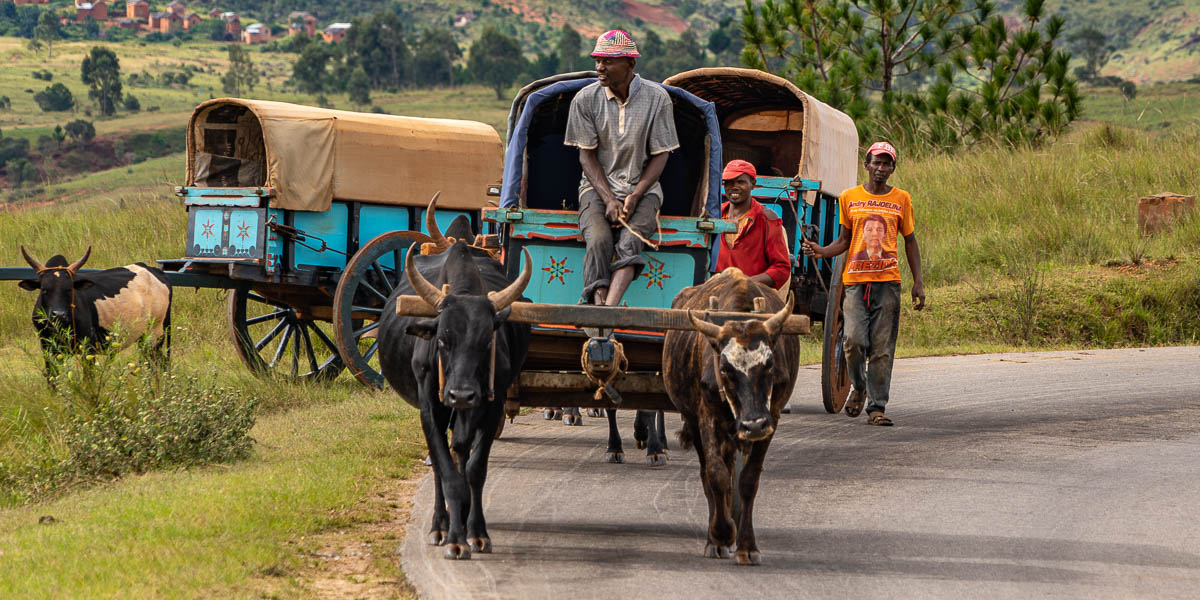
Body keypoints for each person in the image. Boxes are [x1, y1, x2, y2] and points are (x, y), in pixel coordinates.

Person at [801, 141, 926, 426]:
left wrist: (918, 282)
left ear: (893, 168)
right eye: (876, 162)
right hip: (855, 282)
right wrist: (820, 251)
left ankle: (877, 407)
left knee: (882, 348)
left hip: (888, 283)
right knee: (853, 340)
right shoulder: (849, 197)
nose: (880, 168)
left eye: (886, 163)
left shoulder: (902, 199)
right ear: (866, 165)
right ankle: (858, 386)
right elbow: (844, 241)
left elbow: (910, 240)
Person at [564, 29, 679, 307]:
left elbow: (661, 156)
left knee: (630, 241)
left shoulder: (657, 98)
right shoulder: (585, 99)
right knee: (599, 240)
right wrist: (608, 199)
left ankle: (608, 313)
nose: (599, 68)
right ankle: (600, 312)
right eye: (597, 60)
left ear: (630, 65)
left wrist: (634, 196)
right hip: (595, 188)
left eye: (608, 61)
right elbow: (587, 157)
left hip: (644, 189)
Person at [715, 159, 791, 291]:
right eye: (729, 182)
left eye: (741, 182)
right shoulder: (714, 216)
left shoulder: (767, 219)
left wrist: (744, 283)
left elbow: (782, 268)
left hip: (751, 298)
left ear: (753, 184)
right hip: (715, 294)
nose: (734, 187)